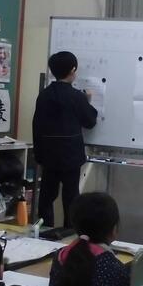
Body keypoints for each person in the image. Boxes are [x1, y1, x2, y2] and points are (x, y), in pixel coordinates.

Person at [32, 51, 97, 228]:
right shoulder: (77, 96)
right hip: (71, 155)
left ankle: (44, 231)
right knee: (71, 196)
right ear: (73, 70)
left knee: (47, 196)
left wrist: (39, 155)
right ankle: (70, 231)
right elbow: (90, 122)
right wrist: (88, 101)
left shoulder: (44, 95)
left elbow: (36, 126)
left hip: (48, 155)